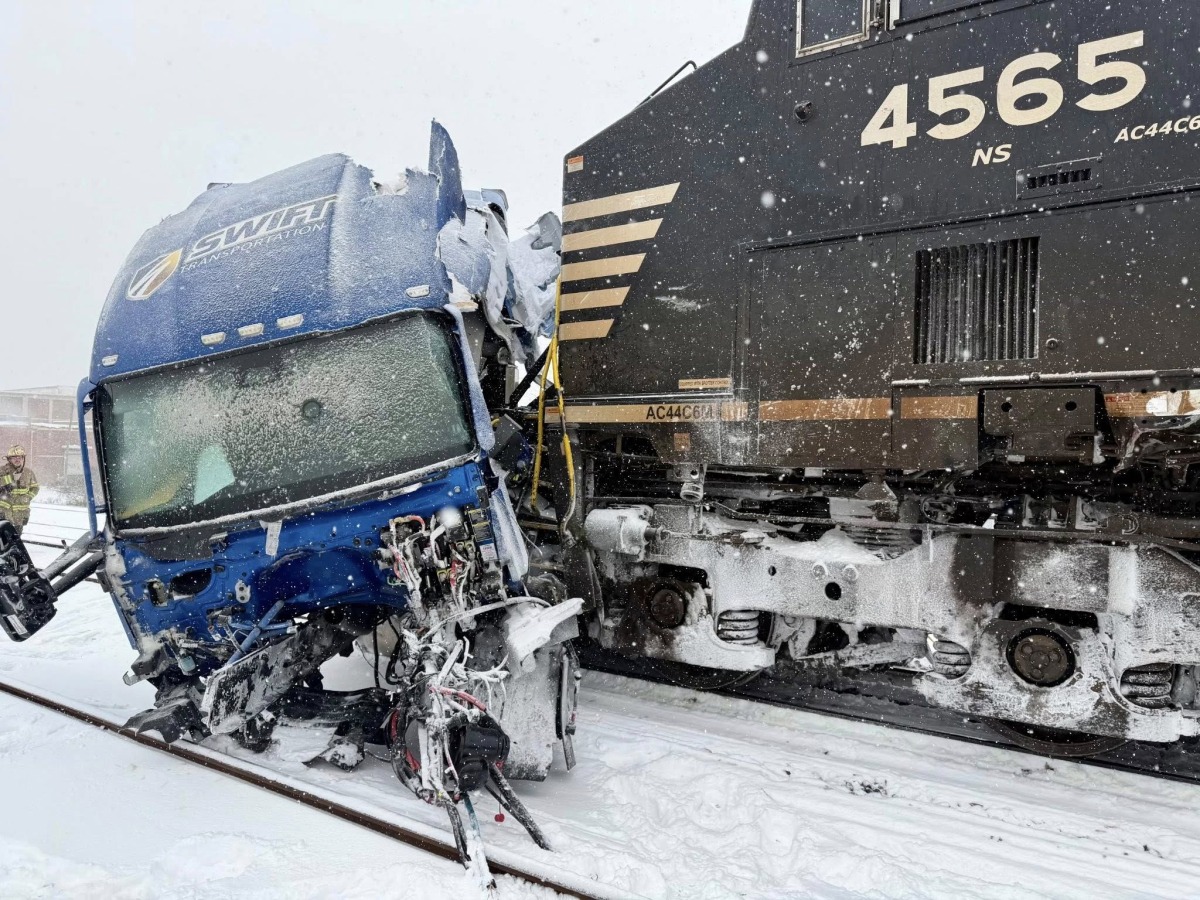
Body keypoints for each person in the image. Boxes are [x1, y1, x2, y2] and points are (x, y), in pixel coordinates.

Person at [0, 445, 39, 535]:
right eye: (14, 457)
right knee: (3, 539)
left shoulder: (28, 472)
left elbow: (35, 487)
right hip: (4, 512)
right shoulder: (2, 471)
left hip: (20, 515)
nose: (17, 459)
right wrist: (9, 479)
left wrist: (28, 497)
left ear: (23, 459)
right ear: (9, 459)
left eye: (20, 457)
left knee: (16, 540)